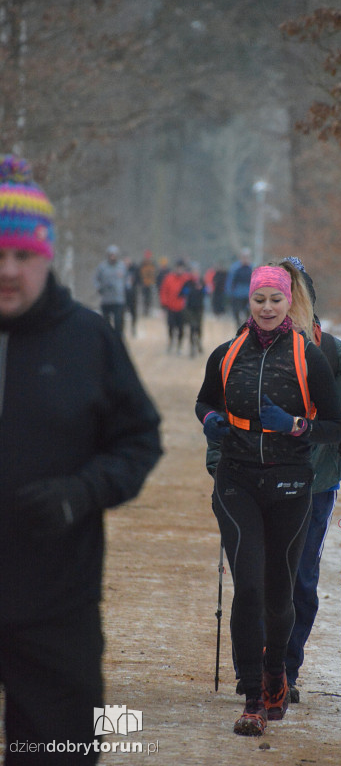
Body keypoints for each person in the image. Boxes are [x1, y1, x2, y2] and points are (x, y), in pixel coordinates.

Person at [0, 155, 162, 764]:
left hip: (55, 604)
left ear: (47, 257)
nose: (9, 271)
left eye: (23, 256)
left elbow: (138, 440)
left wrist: (80, 492)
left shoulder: (87, 339)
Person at [196, 263, 341, 737]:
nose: (266, 308)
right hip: (236, 479)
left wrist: (296, 425)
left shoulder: (310, 356)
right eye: (258, 300)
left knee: (280, 591)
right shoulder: (226, 353)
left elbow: (336, 427)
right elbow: (204, 401)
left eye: (275, 300)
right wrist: (211, 423)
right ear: (249, 303)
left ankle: (277, 671)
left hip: (290, 482)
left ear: (288, 302)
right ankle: (253, 697)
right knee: (251, 587)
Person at [279, 258, 341, 702]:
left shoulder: (333, 352)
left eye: (297, 295)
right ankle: (261, 665)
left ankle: (284, 670)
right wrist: (218, 455)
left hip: (317, 482)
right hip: (254, 479)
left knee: (301, 578)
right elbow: (222, 409)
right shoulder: (243, 349)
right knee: (261, 576)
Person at [94, 243, 127, 334]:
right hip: (106, 300)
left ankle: (118, 339)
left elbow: (127, 280)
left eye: (114, 255)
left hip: (118, 300)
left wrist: (125, 288)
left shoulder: (122, 266)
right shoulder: (102, 267)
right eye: (111, 255)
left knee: (118, 322)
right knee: (106, 323)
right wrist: (99, 288)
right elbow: (96, 279)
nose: (112, 257)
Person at [159, 258, 190, 354]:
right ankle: (171, 342)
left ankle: (179, 345)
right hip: (171, 307)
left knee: (181, 328)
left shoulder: (187, 279)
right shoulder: (169, 278)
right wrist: (164, 304)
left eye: (181, 268)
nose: (180, 270)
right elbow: (164, 291)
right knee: (171, 326)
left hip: (182, 308)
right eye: (178, 268)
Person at [180, 262, 206, 357]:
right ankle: (192, 348)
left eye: (197, 271)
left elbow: (206, 292)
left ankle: (199, 343)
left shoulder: (202, 282)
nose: (195, 273)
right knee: (192, 327)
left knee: (198, 328)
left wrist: (202, 289)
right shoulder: (188, 283)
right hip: (190, 309)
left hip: (199, 308)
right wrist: (189, 291)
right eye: (194, 271)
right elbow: (181, 293)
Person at [224, 248, 252, 327]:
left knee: (248, 314)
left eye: (247, 257)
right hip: (237, 295)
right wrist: (229, 294)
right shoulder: (235, 268)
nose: (245, 259)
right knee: (236, 313)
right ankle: (238, 327)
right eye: (244, 257)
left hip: (248, 295)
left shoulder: (252, 268)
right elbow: (230, 282)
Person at [124, 256, 140, 337]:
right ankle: (122, 330)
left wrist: (134, 281)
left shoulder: (135, 269)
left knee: (133, 312)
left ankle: (133, 328)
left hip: (133, 294)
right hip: (123, 295)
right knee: (122, 313)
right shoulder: (121, 269)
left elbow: (139, 280)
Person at [138, 249, 157, 316]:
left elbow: (155, 274)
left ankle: (148, 310)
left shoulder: (153, 264)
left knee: (149, 298)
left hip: (150, 283)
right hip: (144, 283)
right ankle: (144, 310)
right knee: (144, 298)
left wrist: (153, 282)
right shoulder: (142, 264)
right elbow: (140, 274)